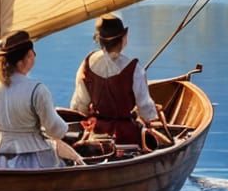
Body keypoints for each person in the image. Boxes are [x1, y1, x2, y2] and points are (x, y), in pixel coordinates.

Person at [0, 29, 81, 169]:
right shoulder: (37, 90)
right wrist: (64, 126)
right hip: (33, 155)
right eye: (32, 52)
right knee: (72, 161)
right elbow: (56, 130)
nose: (34, 55)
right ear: (26, 58)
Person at [69, 13, 165, 148]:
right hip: (127, 136)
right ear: (123, 39)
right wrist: (151, 120)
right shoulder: (134, 69)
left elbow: (79, 105)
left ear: (100, 40)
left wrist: (89, 115)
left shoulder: (86, 65)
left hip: (97, 133)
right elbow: (145, 107)